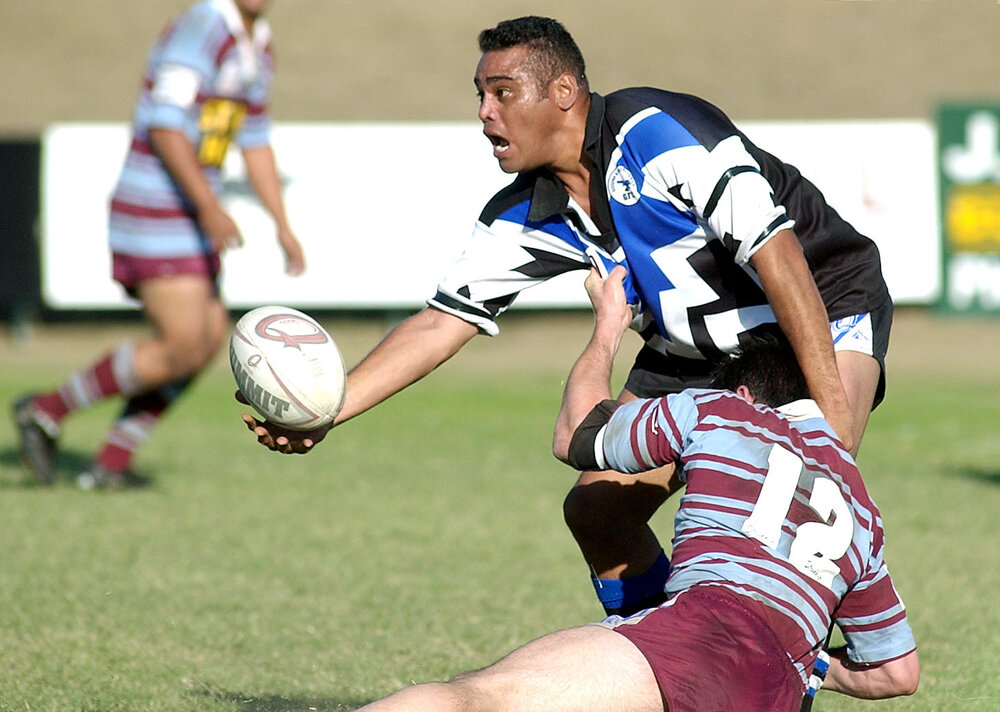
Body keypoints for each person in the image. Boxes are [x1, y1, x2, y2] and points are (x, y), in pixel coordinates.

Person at [244, 16, 892, 616]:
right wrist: (330, 407)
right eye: (479, 95)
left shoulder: (657, 131)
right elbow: (441, 324)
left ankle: (784, 672)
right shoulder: (523, 214)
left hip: (823, 304)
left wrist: (830, 418)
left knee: (801, 506)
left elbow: (779, 256)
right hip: (691, 356)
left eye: (501, 93)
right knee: (596, 512)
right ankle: (667, 663)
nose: (484, 114)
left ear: (562, 91)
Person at [352, 265, 918, 712]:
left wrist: (607, 327)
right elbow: (897, 673)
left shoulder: (722, 410)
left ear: (746, 390)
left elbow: (577, 433)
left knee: (475, 700)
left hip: (699, 635)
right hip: (778, 687)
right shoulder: (860, 508)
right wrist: (815, 664)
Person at [13, 0, 304, 489]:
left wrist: (282, 225)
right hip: (157, 208)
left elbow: (253, 139)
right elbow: (165, 126)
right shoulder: (204, 25)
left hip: (189, 213)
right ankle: (45, 410)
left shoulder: (257, 43)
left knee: (209, 339)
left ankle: (112, 460)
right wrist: (209, 206)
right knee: (183, 341)